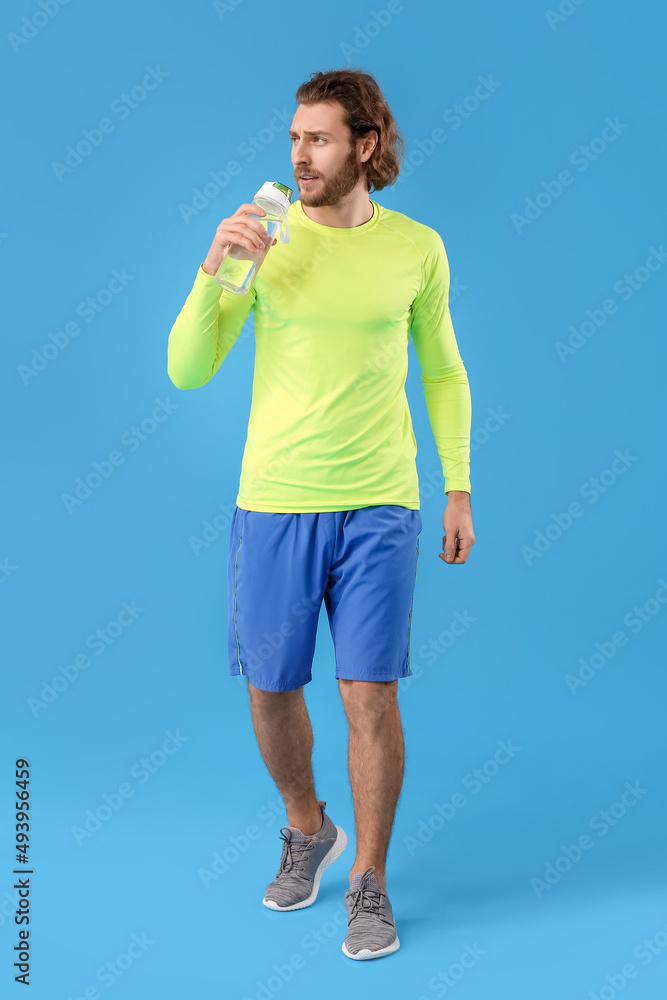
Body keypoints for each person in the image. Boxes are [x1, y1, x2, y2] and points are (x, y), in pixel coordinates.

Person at [167, 67, 475, 961]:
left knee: (368, 694)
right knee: (271, 692)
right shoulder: (262, 238)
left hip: (381, 503)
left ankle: (369, 882)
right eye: (294, 138)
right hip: (275, 502)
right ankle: (309, 827)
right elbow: (188, 368)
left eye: (319, 139)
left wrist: (455, 485)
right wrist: (216, 272)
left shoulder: (417, 248)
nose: (298, 154)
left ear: (365, 146)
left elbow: (444, 372)